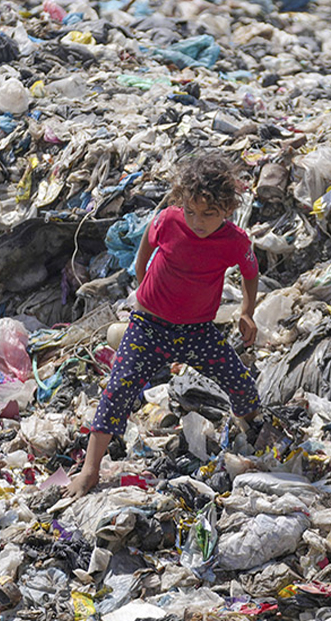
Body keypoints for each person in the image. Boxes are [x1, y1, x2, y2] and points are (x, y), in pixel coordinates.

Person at [65, 152, 261, 497]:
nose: (197, 221)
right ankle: (90, 470)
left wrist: (247, 311)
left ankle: (254, 430)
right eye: (191, 210)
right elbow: (146, 247)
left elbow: (250, 272)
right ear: (181, 202)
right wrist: (142, 284)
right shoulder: (168, 220)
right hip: (149, 325)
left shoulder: (235, 241)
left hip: (197, 330)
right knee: (119, 388)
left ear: (227, 210)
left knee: (239, 382)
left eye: (208, 214)